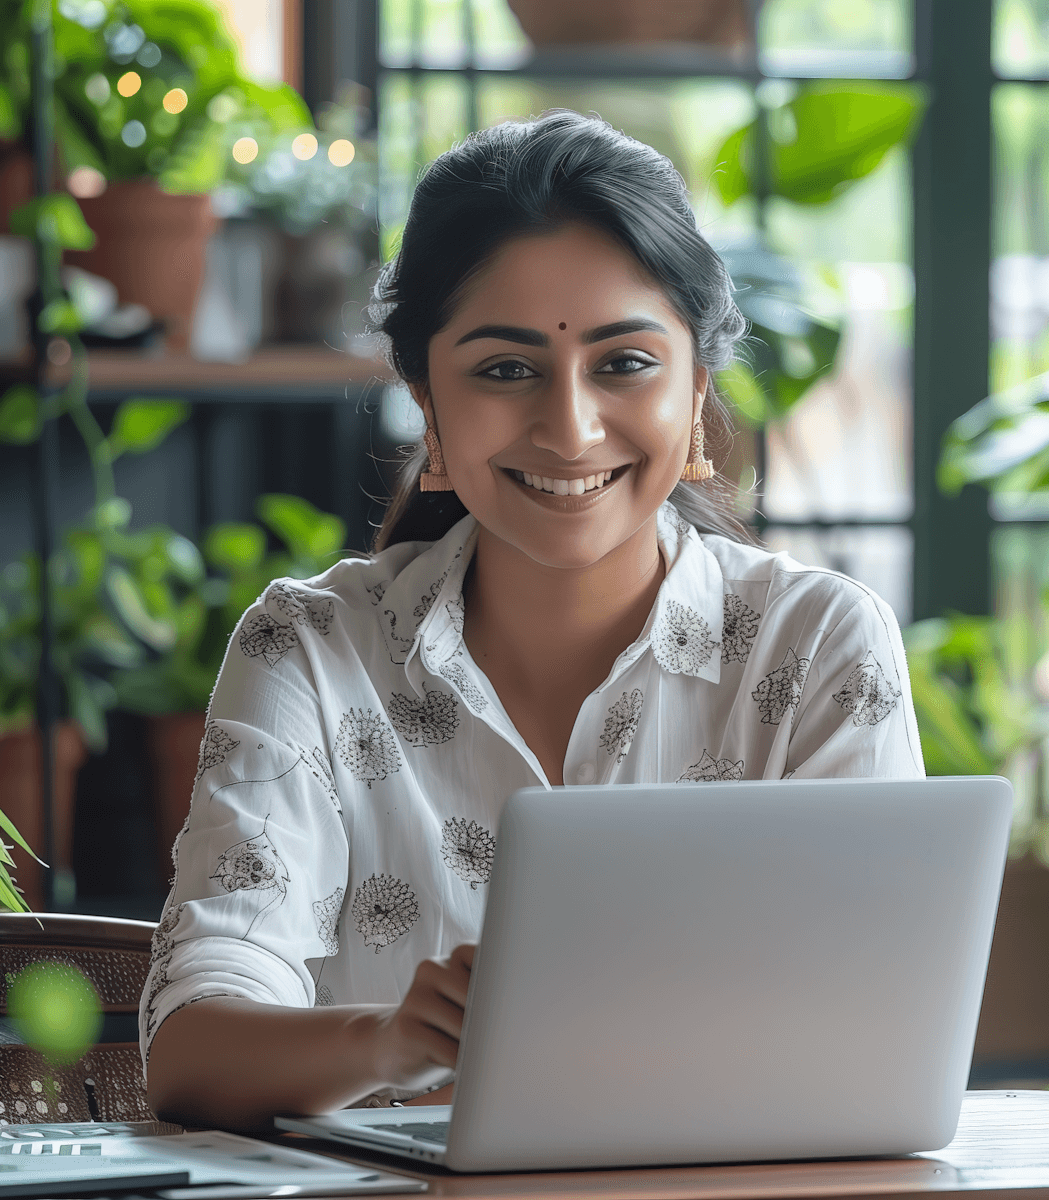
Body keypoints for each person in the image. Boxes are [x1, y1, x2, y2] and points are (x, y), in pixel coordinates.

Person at [141, 109, 924, 1132]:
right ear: (427, 400)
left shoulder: (819, 647)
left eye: (625, 363)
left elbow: (874, 1036)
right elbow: (193, 1047)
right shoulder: (311, 649)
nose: (569, 426)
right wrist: (392, 1039)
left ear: (697, 393)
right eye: (506, 369)